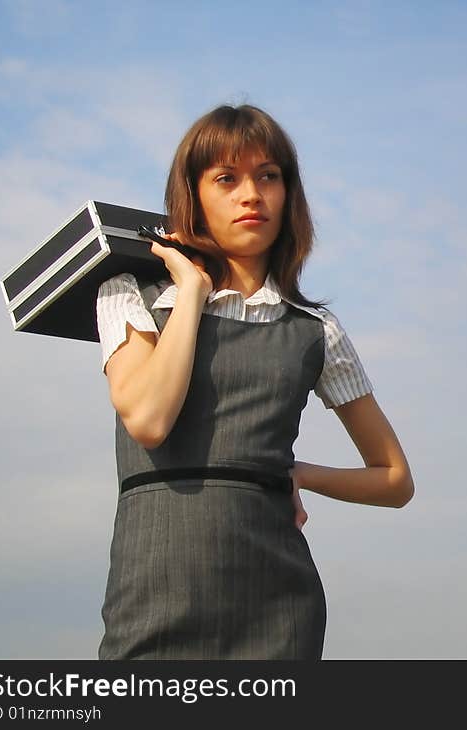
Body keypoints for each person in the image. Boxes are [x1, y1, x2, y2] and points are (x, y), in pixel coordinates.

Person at [95, 104, 414, 659]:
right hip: (154, 593)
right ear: (193, 197)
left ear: (288, 195)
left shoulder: (316, 331)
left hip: (279, 607)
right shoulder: (131, 294)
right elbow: (148, 421)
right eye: (227, 178)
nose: (251, 194)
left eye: (269, 176)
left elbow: (394, 479)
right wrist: (192, 292)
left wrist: (297, 471)